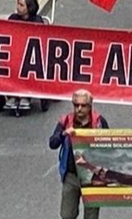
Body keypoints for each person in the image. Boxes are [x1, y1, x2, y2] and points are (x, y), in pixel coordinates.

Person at [49, 89, 108, 219]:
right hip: (71, 176)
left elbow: (109, 149)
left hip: (91, 177)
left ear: (90, 106)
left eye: (83, 105)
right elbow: (52, 143)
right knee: (67, 215)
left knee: (91, 216)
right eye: (76, 105)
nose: (79, 109)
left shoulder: (99, 123)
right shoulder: (66, 121)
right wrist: (63, 134)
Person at [4, 0, 44, 111]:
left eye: (21, 5)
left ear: (29, 8)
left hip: (31, 55)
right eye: (18, 4)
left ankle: (26, 95)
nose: (18, 7)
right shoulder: (13, 18)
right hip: (15, 52)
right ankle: (12, 94)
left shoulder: (37, 21)